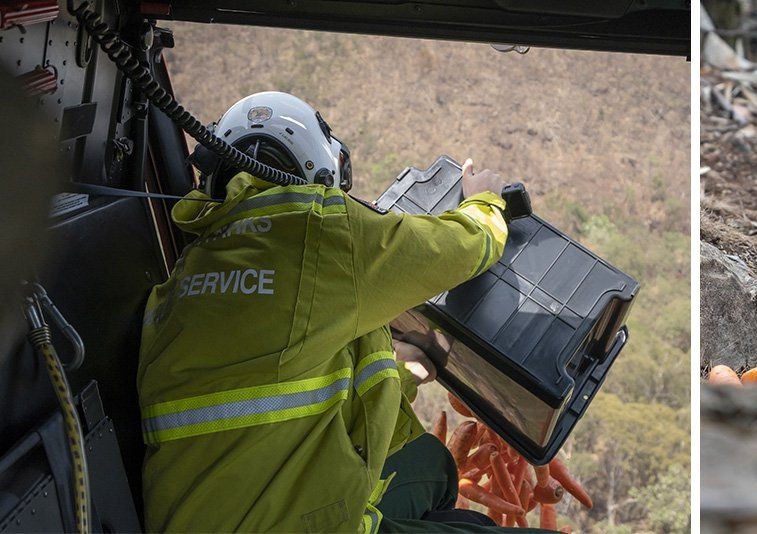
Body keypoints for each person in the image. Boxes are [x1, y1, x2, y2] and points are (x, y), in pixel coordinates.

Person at [137, 91, 551, 532]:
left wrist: (400, 375)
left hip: (198, 513)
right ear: (322, 168)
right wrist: (485, 202)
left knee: (429, 462)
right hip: (286, 523)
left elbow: (284, 383)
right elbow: (465, 247)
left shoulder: (185, 275)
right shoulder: (316, 232)